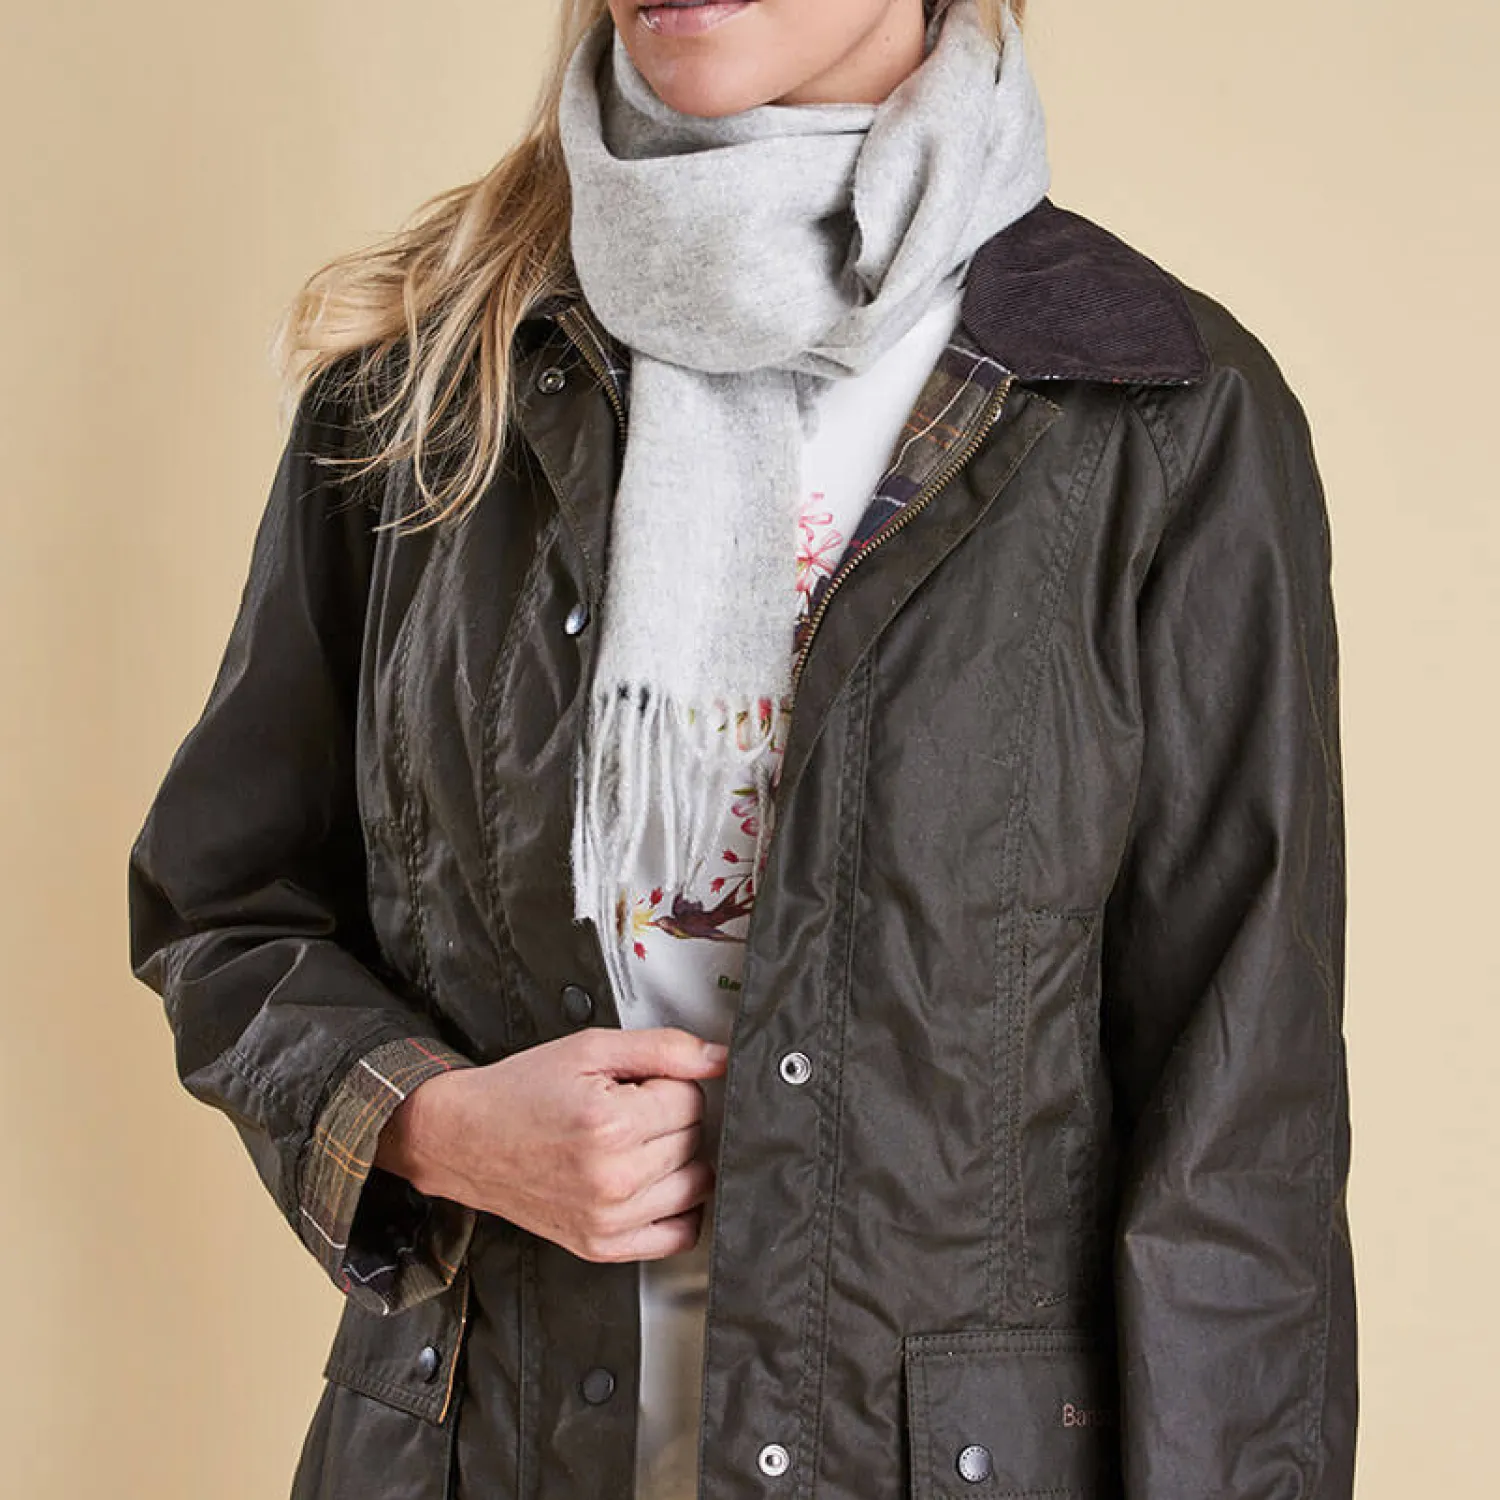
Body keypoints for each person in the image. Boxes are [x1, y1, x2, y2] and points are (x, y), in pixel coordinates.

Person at [127, 1, 1358, 1496]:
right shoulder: (431, 388)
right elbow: (227, 909)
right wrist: (436, 1127)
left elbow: (1238, 1141)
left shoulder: (1156, 416)